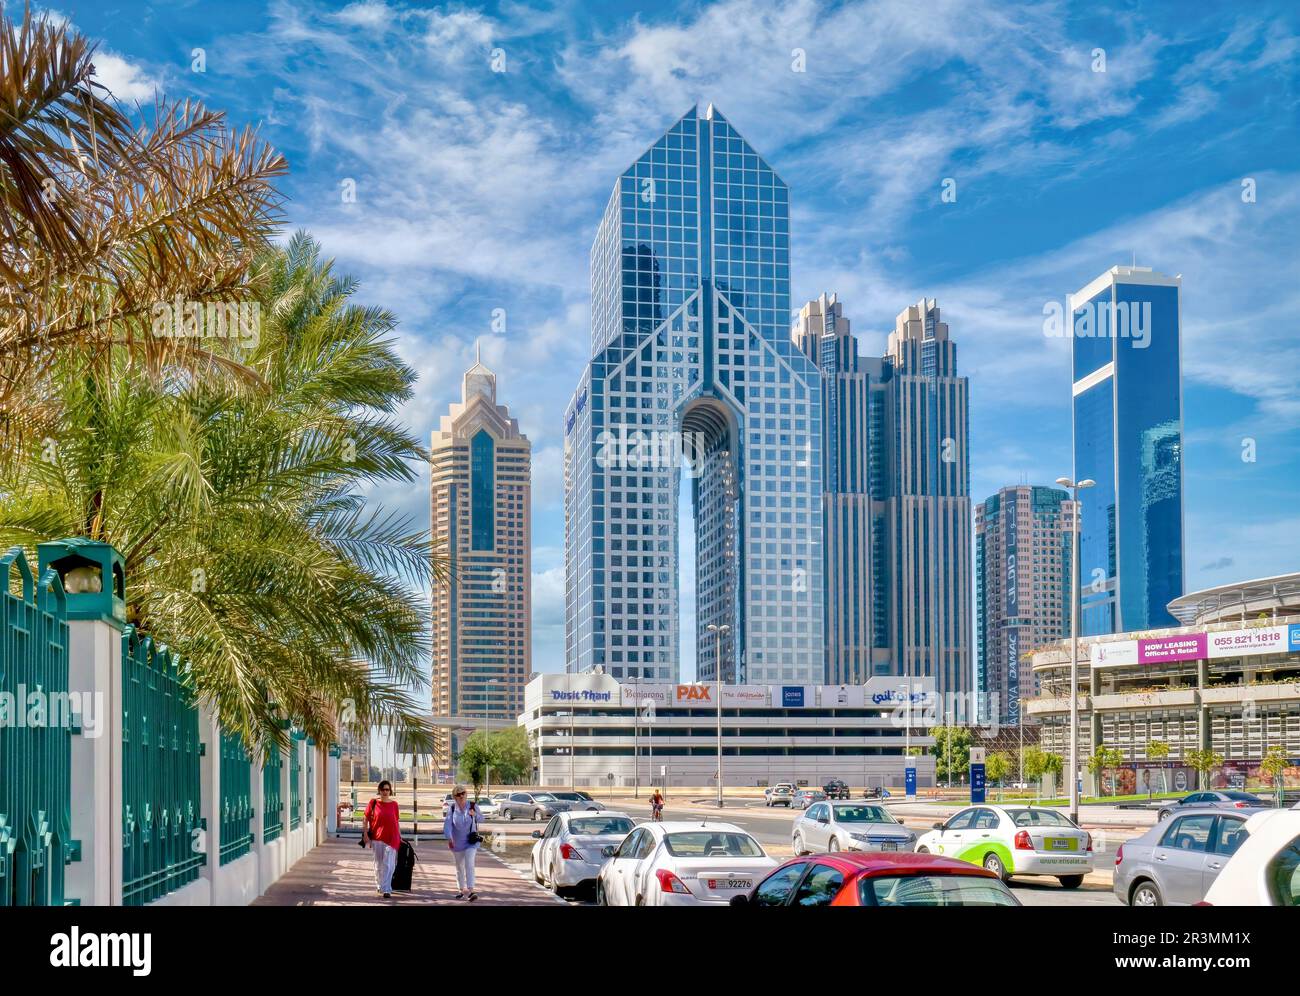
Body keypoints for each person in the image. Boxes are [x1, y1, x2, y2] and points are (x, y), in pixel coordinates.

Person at [362, 780, 401, 899]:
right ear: (379, 790)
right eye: (383, 789)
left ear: (390, 791)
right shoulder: (373, 803)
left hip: (392, 838)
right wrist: (365, 833)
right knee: (378, 864)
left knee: (389, 864)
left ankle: (387, 889)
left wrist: (400, 835)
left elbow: (397, 821)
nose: (385, 792)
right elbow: (365, 818)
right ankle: (379, 884)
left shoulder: (394, 804)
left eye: (387, 789)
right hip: (378, 838)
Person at [444, 785, 481, 901]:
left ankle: (470, 890)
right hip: (457, 842)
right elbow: (447, 825)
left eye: (463, 793)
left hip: (471, 841)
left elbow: (481, 818)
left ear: (466, 793)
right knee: (459, 867)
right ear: (454, 797)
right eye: (458, 794)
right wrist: (450, 838)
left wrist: (475, 815)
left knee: (469, 862)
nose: (461, 796)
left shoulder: (473, 806)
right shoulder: (452, 808)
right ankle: (461, 889)